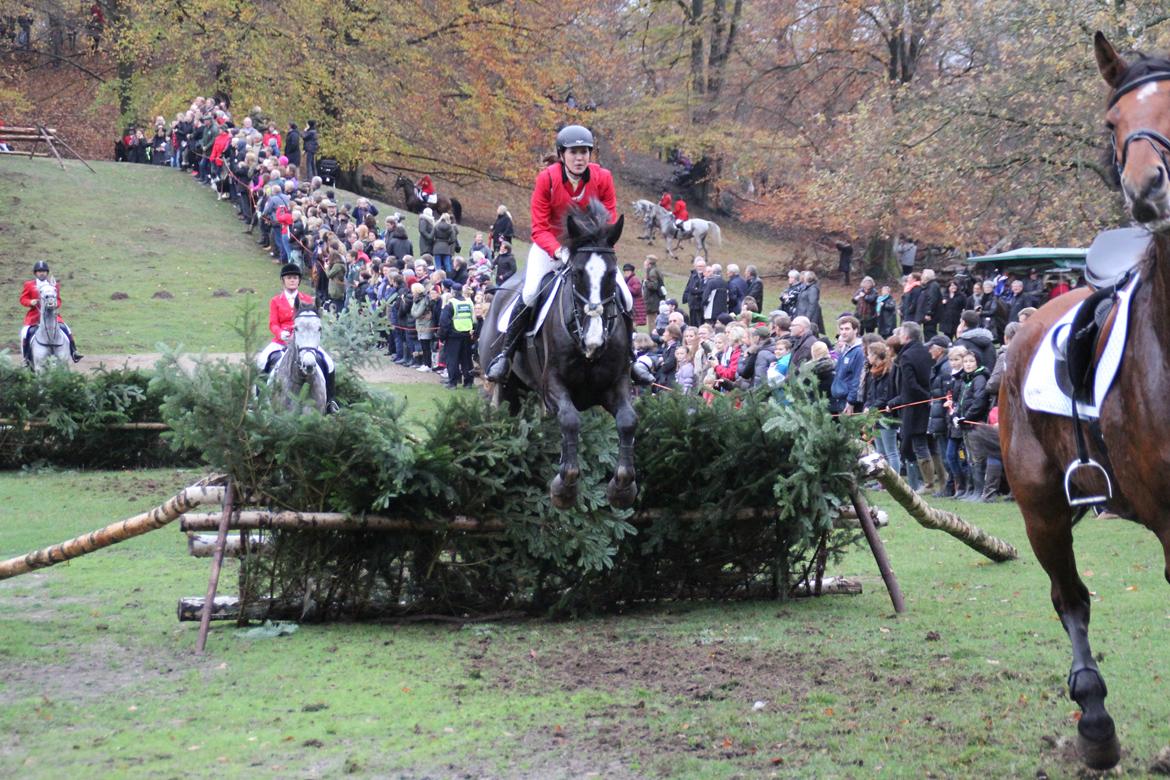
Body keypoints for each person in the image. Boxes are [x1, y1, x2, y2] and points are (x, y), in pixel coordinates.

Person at [485, 125, 627, 382]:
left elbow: (610, 218)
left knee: (624, 296)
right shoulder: (547, 179)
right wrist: (560, 252)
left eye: (584, 151)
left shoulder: (603, 177)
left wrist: (595, 247)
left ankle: (632, 360)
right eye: (574, 152)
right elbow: (538, 228)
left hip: (590, 250)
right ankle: (505, 355)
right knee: (529, 293)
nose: (580, 157)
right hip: (550, 247)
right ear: (562, 154)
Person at [256, 264, 336, 409]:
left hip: (305, 342)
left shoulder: (307, 299)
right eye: (289, 278)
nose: (292, 280)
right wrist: (281, 333)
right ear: (283, 280)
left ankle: (330, 402)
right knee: (262, 361)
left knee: (329, 363)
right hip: (281, 342)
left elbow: (313, 323)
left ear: (299, 280)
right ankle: (258, 400)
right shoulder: (276, 301)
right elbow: (273, 323)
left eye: (295, 278)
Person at [886, 321, 936, 492]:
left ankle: (923, 483)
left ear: (906, 337)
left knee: (910, 444)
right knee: (918, 442)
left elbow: (911, 384)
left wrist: (924, 397)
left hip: (913, 405)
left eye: (900, 334)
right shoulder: (924, 351)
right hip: (919, 402)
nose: (899, 337)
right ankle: (925, 482)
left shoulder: (907, 356)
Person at [20, 261, 82, 365]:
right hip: (35, 317)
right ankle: (26, 358)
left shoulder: (54, 285)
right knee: (25, 332)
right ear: (35, 273)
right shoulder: (29, 285)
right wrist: (31, 302)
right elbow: (23, 299)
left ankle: (74, 352)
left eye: (44, 271)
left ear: (47, 272)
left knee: (66, 328)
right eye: (39, 271)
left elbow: (58, 300)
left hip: (53, 316)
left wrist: (55, 305)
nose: (42, 273)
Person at [439, 282, 475, 388]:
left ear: (453, 292)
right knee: (467, 360)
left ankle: (453, 382)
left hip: (453, 336)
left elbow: (444, 322)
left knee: (452, 360)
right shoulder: (469, 302)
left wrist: (442, 337)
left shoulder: (451, 303)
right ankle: (468, 382)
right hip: (467, 334)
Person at [829, 316, 863, 415]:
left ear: (856, 330)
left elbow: (858, 378)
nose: (843, 332)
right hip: (840, 400)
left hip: (850, 403)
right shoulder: (845, 348)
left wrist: (851, 401)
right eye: (841, 329)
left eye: (847, 329)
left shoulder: (859, 351)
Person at [683, 256, 707, 327]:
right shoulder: (693, 276)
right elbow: (691, 289)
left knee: (701, 324)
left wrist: (697, 291)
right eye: (698, 266)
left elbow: (704, 290)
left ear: (705, 267)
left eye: (701, 266)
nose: (700, 268)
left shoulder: (706, 276)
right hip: (693, 304)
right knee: (693, 324)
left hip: (701, 305)